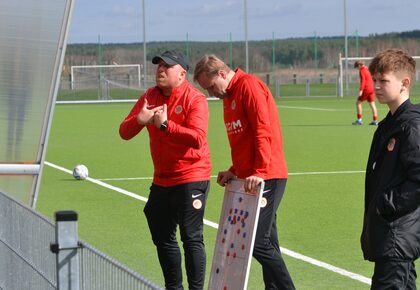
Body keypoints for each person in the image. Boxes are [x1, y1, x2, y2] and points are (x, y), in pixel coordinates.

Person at [194, 54, 295, 290]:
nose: (211, 94)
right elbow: (243, 141)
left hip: (267, 175)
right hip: (249, 178)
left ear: (221, 73)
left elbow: (262, 130)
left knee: (257, 242)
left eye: (210, 87)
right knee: (269, 240)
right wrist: (233, 171)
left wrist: (259, 171)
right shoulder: (228, 97)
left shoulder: (248, 85)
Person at [119, 50, 211, 290]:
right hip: (162, 179)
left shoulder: (195, 98)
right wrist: (140, 121)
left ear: (182, 73)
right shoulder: (150, 96)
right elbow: (124, 133)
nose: (160, 70)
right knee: (161, 233)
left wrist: (166, 127)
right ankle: (174, 287)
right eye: (158, 66)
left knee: (191, 237)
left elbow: (198, 139)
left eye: (166, 66)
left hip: (192, 175)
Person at [360, 49, 420, 289]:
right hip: (389, 237)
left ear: (404, 83)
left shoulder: (411, 126)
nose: (376, 86)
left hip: (397, 236)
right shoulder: (389, 124)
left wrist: (386, 204)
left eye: (383, 81)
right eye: (375, 80)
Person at [352, 60, 379, 125]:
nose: (357, 68)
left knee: (358, 103)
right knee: (372, 104)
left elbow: (363, 81)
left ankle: (359, 120)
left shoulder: (362, 71)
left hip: (366, 89)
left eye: (357, 67)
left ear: (359, 65)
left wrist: (361, 90)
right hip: (372, 89)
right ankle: (375, 120)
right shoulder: (368, 70)